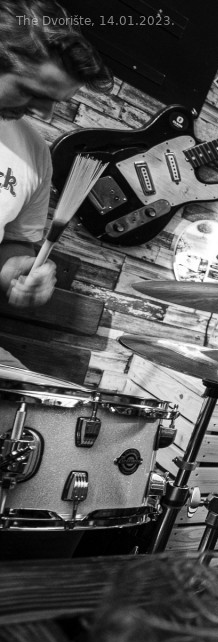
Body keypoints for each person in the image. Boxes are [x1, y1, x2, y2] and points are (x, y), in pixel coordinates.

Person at [1, 0, 110, 368]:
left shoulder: (34, 152)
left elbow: (13, 243)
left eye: (55, 102)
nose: (44, 114)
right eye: (32, 92)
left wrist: (17, 271)